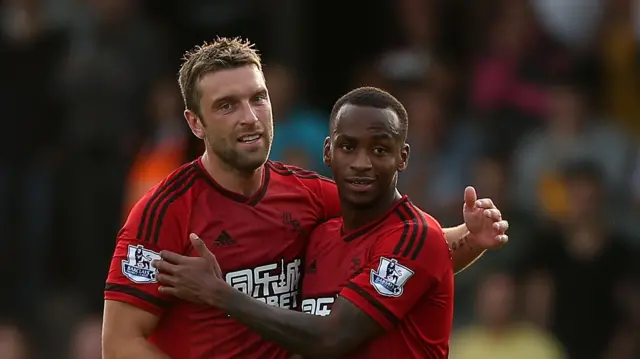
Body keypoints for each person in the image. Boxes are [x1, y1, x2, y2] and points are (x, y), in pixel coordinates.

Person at [102, 37, 508, 359]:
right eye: (227, 106)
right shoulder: (163, 212)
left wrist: (470, 237)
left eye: (257, 98)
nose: (249, 116)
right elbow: (120, 346)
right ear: (195, 122)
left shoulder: (310, 193)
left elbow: (407, 256)